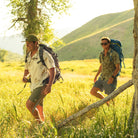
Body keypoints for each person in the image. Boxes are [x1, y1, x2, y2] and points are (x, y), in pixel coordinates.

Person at [23, 34, 56, 124]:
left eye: (29, 43)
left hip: (42, 84)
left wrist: (49, 86)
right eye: (26, 44)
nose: (27, 45)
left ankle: (39, 123)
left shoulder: (44, 54)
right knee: (39, 107)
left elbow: (53, 69)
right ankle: (43, 125)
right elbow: (26, 69)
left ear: (36, 43)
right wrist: (25, 76)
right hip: (33, 85)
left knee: (29, 105)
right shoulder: (28, 55)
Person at [90, 37, 120, 105]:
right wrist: (96, 76)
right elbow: (101, 66)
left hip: (110, 77)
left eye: (105, 44)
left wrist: (112, 77)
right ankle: (106, 102)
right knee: (93, 92)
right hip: (102, 77)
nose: (103, 45)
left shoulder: (114, 54)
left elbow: (117, 68)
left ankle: (112, 109)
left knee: (111, 96)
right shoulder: (101, 54)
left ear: (109, 44)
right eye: (102, 44)